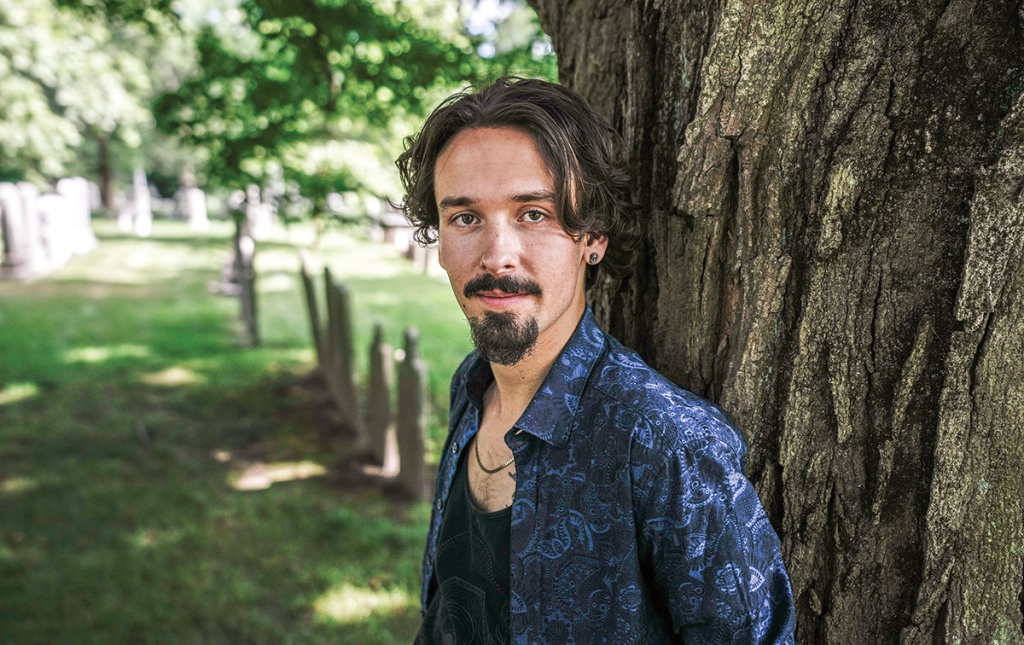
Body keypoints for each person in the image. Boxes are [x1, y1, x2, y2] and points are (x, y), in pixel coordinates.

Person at [397, 76, 796, 644]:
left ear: (593, 237)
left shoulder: (667, 443)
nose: (496, 254)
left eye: (533, 213)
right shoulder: (472, 385)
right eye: (465, 218)